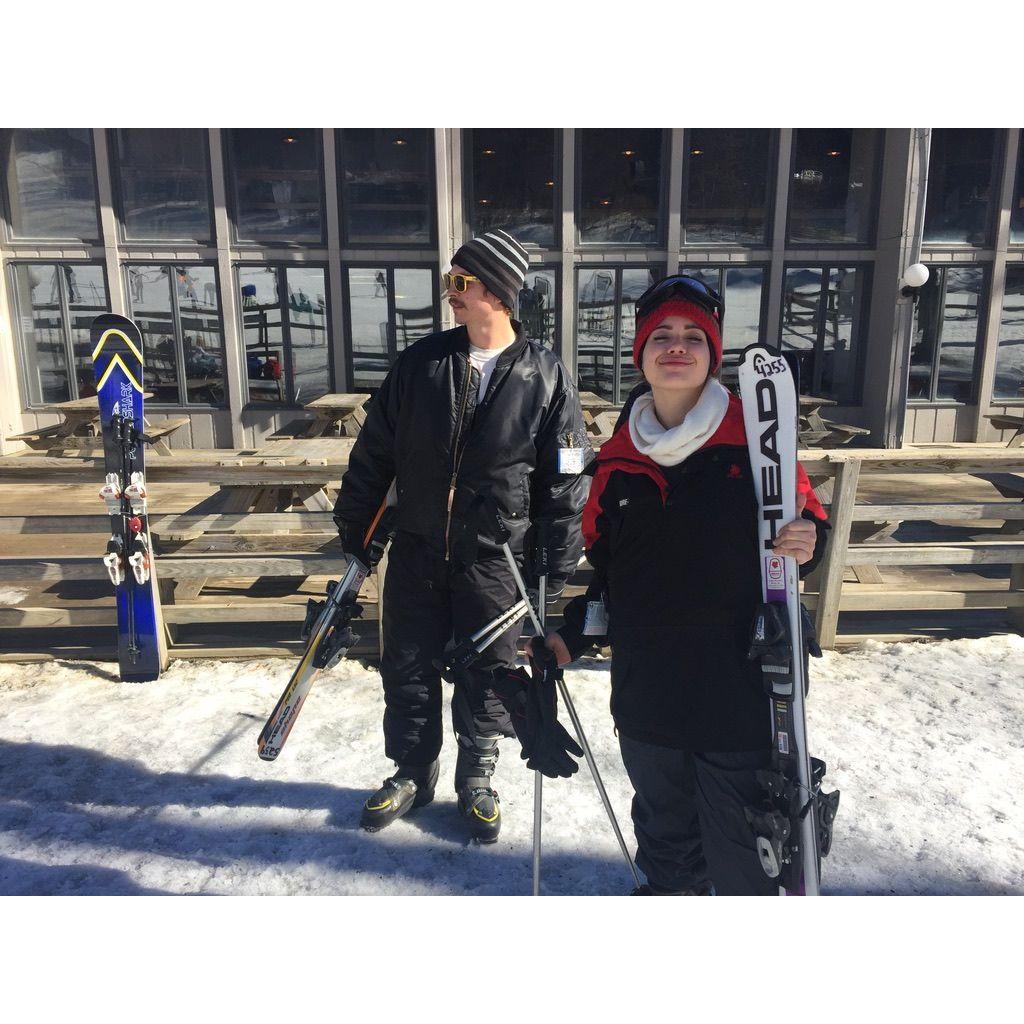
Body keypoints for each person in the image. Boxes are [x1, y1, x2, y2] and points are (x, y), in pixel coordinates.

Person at [530, 275, 830, 895]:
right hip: (649, 701)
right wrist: (570, 638)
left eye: (694, 336)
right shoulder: (617, 464)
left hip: (739, 697)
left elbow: (808, 524)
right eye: (661, 335)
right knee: (668, 858)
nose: (677, 346)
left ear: (713, 354)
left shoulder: (757, 441)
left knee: (746, 868)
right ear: (640, 354)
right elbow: (613, 583)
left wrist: (809, 538)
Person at [334, 229, 590, 843]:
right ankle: (413, 771)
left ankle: (477, 777)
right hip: (418, 548)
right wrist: (357, 525)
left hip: (496, 559)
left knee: (489, 673)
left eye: (460, 282)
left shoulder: (546, 376)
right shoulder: (421, 364)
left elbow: (567, 475)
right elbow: (375, 450)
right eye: (451, 280)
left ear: (497, 293)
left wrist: (555, 560)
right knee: (408, 667)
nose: (449, 291)